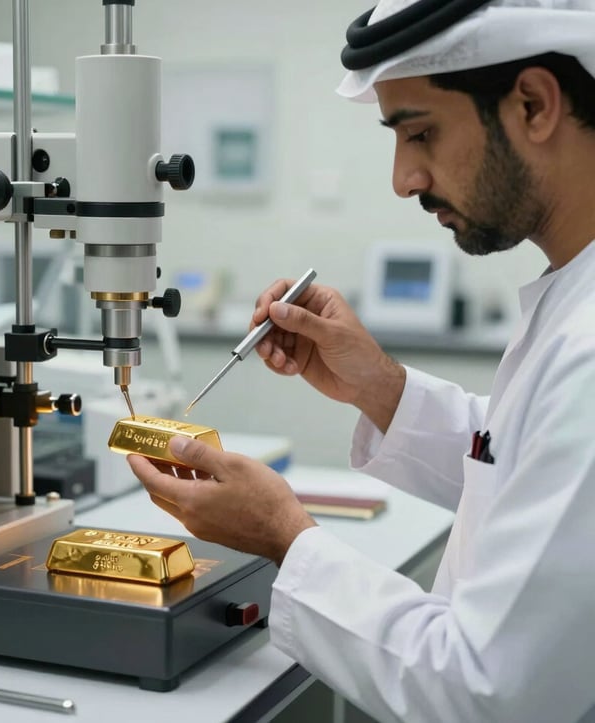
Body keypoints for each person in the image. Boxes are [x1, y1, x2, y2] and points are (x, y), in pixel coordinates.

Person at [127, 1, 595, 720]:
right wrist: (380, 387)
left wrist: (284, 534)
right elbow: (523, 466)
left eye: (421, 132)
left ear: (533, 104)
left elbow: (484, 691)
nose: (404, 178)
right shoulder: (572, 295)